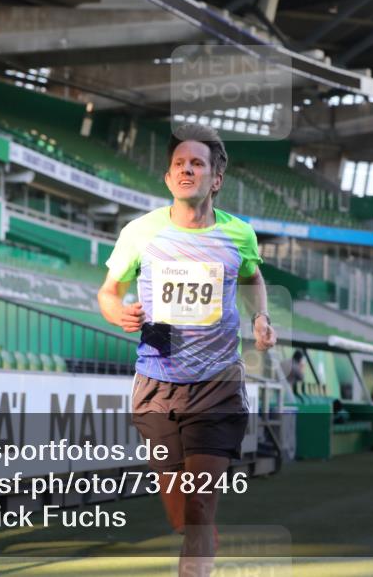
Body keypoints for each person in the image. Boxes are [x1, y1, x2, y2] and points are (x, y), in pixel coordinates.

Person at [97, 123, 276, 576]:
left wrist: (260, 318)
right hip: (157, 385)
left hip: (218, 385)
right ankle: (200, 533)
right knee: (182, 516)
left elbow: (252, 277)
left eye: (197, 163)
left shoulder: (240, 234)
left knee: (199, 507)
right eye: (179, 163)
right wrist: (118, 311)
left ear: (216, 178)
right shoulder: (140, 232)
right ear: (167, 177)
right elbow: (107, 292)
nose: (186, 170)